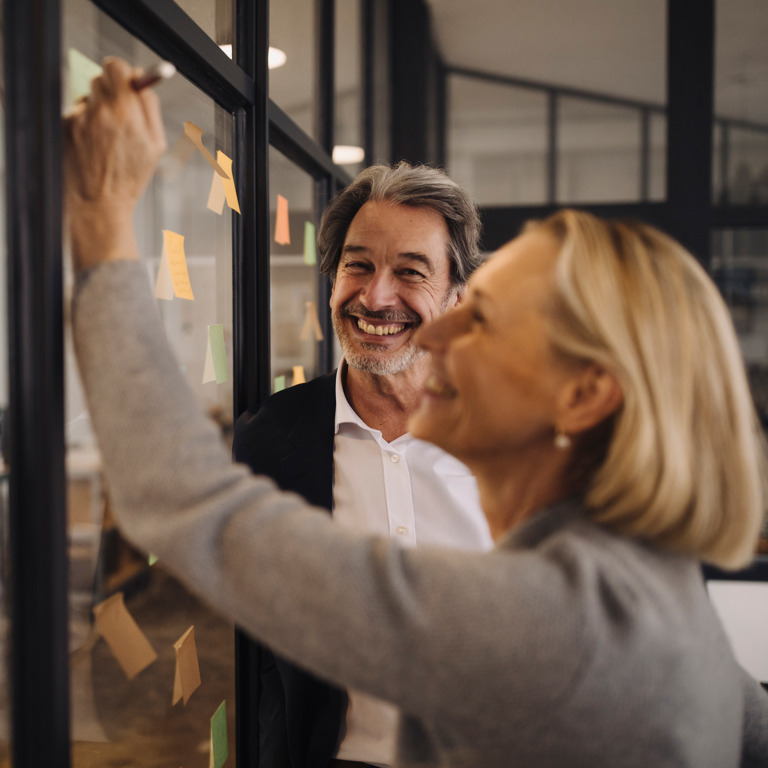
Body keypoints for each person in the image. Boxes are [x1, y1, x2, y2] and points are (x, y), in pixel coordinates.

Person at [66, 59, 768, 768]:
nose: (430, 335)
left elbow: (190, 505)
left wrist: (102, 218)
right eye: (359, 267)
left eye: (484, 318)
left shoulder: (554, 621)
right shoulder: (653, 590)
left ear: (583, 395)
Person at [233, 161, 492, 768]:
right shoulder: (270, 441)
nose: (376, 296)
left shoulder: (513, 436)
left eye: (410, 272)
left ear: (456, 295)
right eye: (358, 265)